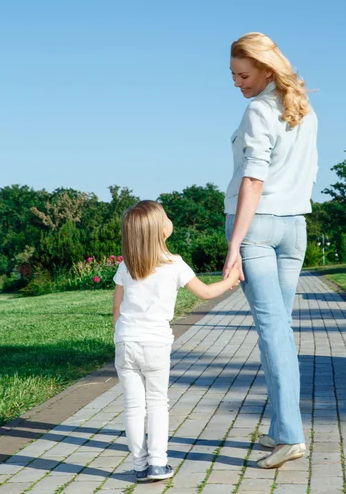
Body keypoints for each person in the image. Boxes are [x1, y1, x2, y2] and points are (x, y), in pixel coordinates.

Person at [223, 32, 318, 469]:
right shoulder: (304, 109)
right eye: (233, 75)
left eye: (243, 74)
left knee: (272, 329)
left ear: (266, 69)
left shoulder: (259, 109)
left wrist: (236, 242)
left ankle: (291, 437)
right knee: (280, 330)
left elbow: (254, 179)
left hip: (259, 228)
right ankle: (284, 429)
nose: (237, 83)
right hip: (294, 227)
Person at [113, 200, 240, 483]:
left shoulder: (126, 266)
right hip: (155, 344)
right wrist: (230, 280)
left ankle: (139, 465)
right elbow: (206, 293)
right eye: (167, 217)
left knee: (133, 405)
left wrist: (118, 336)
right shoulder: (175, 264)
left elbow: (117, 309)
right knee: (157, 402)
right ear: (162, 231)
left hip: (125, 342)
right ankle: (158, 463)